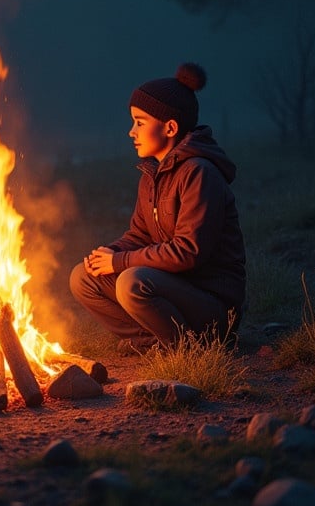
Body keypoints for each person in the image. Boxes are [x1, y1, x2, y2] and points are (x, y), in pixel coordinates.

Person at [69, 62, 246, 352]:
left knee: (131, 282)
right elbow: (140, 236)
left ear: (170, 127)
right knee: (83, 278)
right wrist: (111, 253)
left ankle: (190, 348)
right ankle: (153, 342)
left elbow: (188, 252)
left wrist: (121, 262)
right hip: (173, 288)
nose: (131, 132)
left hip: (213, 307)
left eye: (140, 122)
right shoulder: (153, 176)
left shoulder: (199, 174)